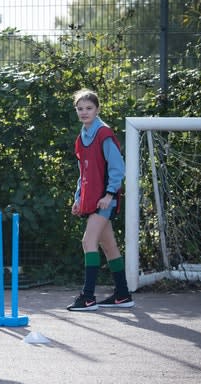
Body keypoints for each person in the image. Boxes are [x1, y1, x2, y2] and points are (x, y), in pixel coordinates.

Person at [66, 89, 135, 311]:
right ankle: (123, 295)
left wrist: (109, 195)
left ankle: (87, 297)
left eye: (89, 108)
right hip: (91, 199)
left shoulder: (104, 134)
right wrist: (78, 198)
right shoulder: (82, 137)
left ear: (97, 110)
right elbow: (83, 173)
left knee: (88, 241)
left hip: (105, 200)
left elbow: (118, 168)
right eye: (80, 108)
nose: (84, 112)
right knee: (109, 246)